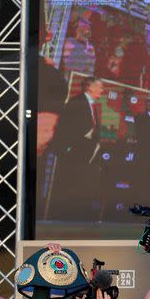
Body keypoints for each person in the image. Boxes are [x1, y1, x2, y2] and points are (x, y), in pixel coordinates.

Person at [48, 77, 105, 220]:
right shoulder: (77, 102)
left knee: (83, 186)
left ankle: (78, 217)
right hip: (74, 155)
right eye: (99, 87)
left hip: (87, 155)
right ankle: (64, 217)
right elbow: (66, 127)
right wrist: (72, 145)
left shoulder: (92, 105)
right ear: (89, 87)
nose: (102, 90)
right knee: (71, 186)